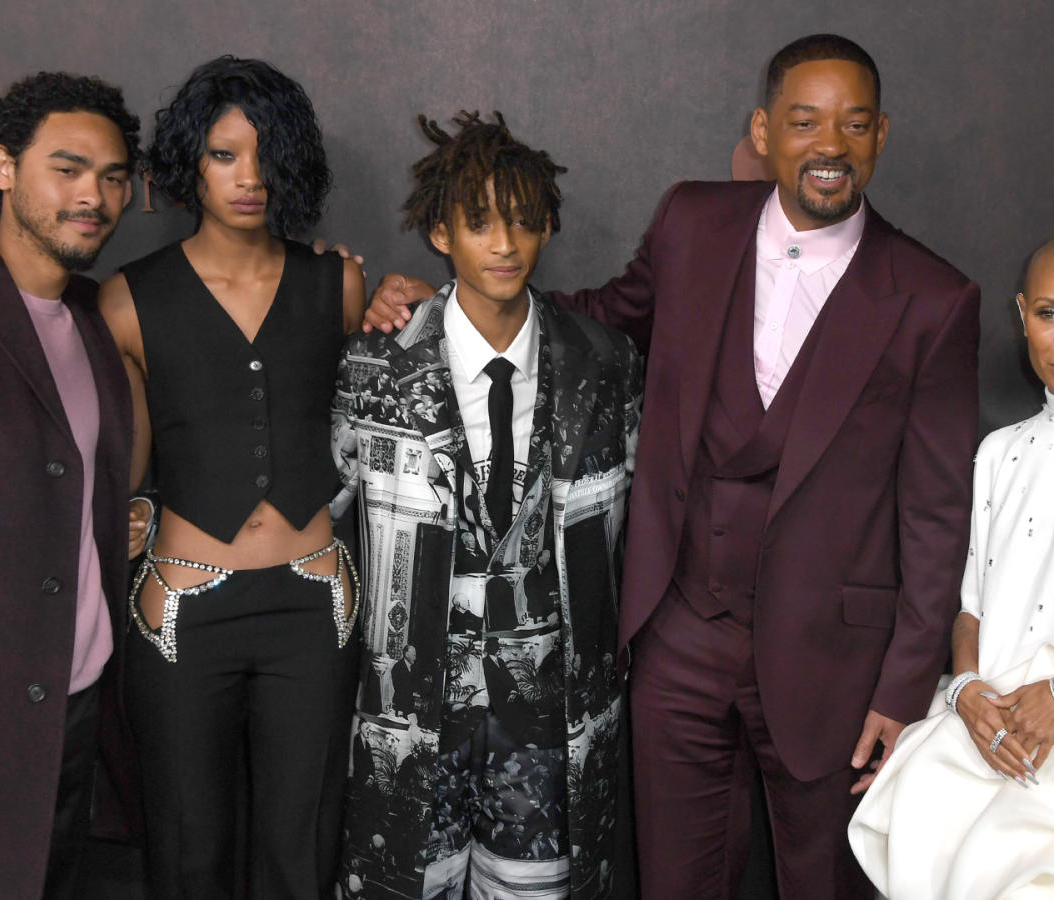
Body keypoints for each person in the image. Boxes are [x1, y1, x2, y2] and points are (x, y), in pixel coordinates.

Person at [361, 34, 979, 899]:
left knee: (824, 883)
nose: (829, 144)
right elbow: (597, 321)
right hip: (677, 632)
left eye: (854, 123)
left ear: (882, 136)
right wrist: (443, 304)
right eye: (805, 121)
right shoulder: (693, 220)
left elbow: (941, 512)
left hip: (833, 662)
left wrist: (905, 685)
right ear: (764, 130)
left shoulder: (934, 298)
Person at [332, 111, 642, 899]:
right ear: (440, 233)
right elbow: (328, 516)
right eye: (480, 223)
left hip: (550, 718)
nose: (504, 245)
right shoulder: (374, 366)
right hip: (412, 715)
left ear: (547, 231)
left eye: (524, 223)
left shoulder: (603, 364)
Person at [98, 56, 365, 899]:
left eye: (265, 154)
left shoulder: (339, 280)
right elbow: (121, 467)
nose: (249, 178)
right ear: (191, 164)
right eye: (223, 155)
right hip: (181, 607)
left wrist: (409, 292)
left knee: (303, 847)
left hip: (312, 607)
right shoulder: (128, 299)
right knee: (187, 848)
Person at [849, 233, 1054, 898]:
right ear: (1022, 314)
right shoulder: (999, 451)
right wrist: (965, 690)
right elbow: (972, 604)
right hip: (988, 728)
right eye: (1049, 314)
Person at [0, 72, 144, 899]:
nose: (94, 196)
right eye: (67, 169)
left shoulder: (89, 318)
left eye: (112, 177)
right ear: (2, 168)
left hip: (76, 700)